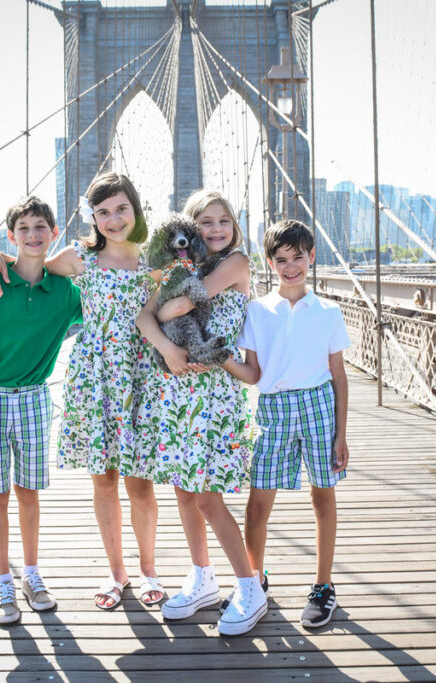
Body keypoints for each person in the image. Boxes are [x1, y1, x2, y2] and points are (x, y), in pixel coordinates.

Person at [0, 173, 164, 610]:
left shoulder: (155, 261)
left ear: (135, 209)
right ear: (92, 217)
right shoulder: (79, 257)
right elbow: (31, 263)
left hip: (140, 379)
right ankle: (116, 573)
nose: (113, 219)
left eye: (121, 208)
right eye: (102, 212)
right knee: (104, 482)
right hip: (95, 381)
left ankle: (148, 571)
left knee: (140, 485)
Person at [135, 190, 266, 636]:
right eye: (205, 222)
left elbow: (177, 306)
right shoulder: (181, 268)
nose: (215, 230)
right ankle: (202, 576)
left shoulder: (237, 263)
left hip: (214, 395)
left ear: (234, 227)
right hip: (176, 391)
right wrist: (169, 348)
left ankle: (250, 587)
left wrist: (168, 312)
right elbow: (143, 320)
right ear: (189, 229)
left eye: (223, 221)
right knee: (184, 491)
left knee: (208, 496)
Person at [0, 196, 82, 624]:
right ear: (11, 236)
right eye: (24, 229)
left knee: (28, 493)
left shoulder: (67, 293)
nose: (33, 236)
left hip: (33, 399)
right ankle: (3, 584)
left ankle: (32, 575)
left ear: (54, 233)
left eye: (42, 228)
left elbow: (109, 277)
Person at [227, 219, 350, 629]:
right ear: (270, 262)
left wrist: (342, 434)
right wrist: (217, 357)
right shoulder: (257, 311)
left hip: (319, 407)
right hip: (274, 408)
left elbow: (339, 375)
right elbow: (253, 372)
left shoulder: (329, 311)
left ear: (312, 257)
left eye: (298, 257)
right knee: (258, 501)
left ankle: (323, 586)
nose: (291, 266)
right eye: (282, 260)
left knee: (323, 497)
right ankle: (253, 581)